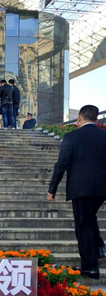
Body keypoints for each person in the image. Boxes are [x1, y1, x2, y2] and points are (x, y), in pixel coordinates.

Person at [48, 105, 106, 280]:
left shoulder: (72, 136)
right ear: (96, 119)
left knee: (83, 225)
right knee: (89, 217)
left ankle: (90, 267)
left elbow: (61, 164)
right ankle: (99, 247)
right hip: (102, 188)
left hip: (81, 188)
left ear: (79, 118)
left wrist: (52, 189)